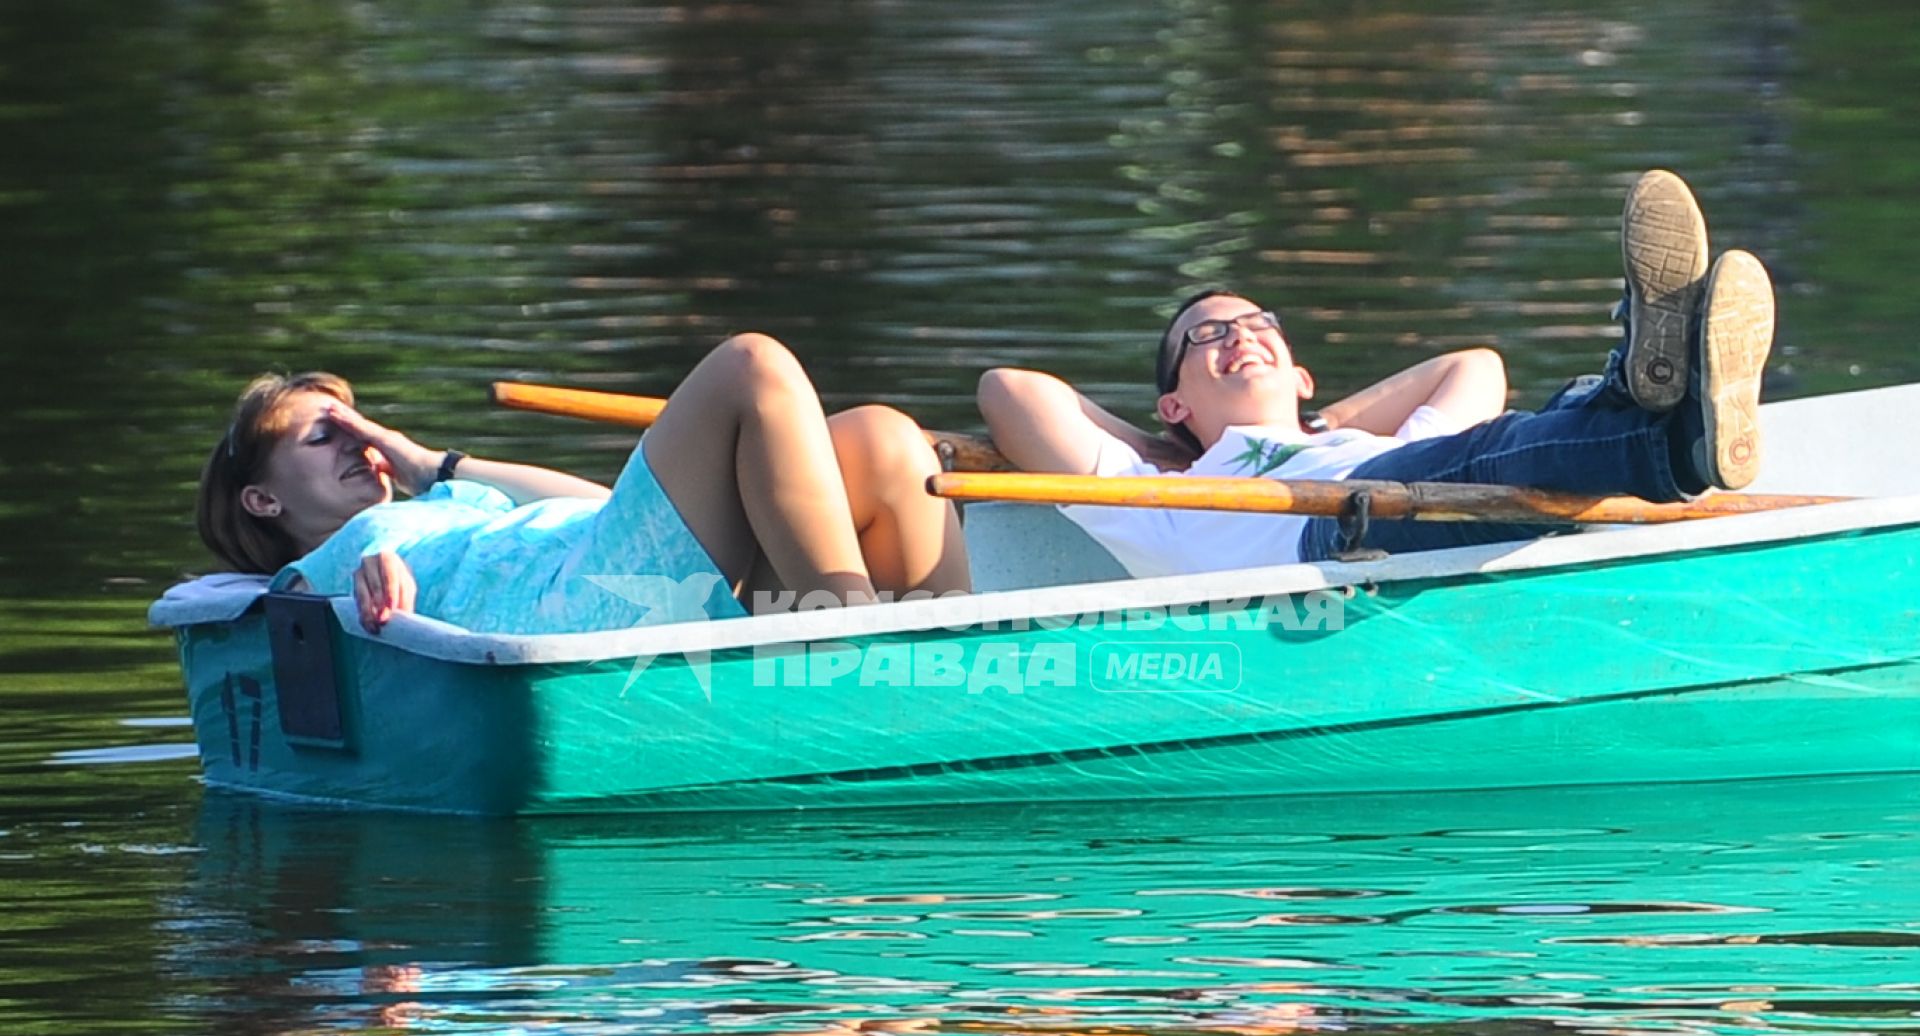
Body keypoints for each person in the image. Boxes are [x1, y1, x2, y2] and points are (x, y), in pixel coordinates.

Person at [977, 170, 1774, 576]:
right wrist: (1169, 449)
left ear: (1302, 375)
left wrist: (1317, 427)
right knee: (1485, 454)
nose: (1241, 337)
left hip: (1387, 481)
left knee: (1512, 447)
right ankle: (1671, 430)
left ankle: (1650, 400)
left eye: (1261, 326)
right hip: (1327, 530)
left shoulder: (1348, 437)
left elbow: (1474, 366)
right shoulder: (1156, 496)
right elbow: (1009, 391)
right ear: (1175, 399)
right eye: (1208, 336)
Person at [197, 333, 971, 634]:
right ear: (264, 501)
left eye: (360, 424)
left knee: (883, 440)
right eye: (326, 433)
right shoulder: (346, 551)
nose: (358, 444)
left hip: (618, 570)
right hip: (581, 617)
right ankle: (863, 646)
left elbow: (596, 503)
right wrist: (366, 579)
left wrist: (433, 463)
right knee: (751, 365)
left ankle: (957, 663)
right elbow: (299, 621)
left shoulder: (448, 505)